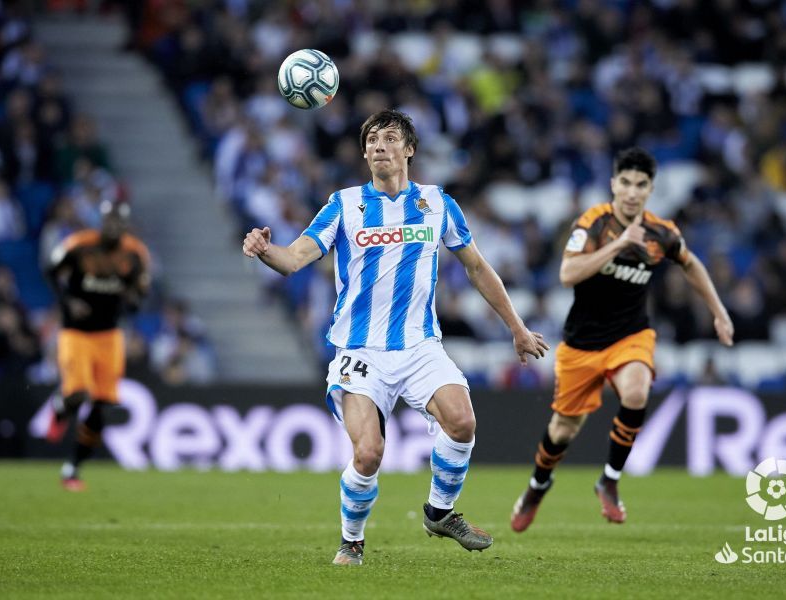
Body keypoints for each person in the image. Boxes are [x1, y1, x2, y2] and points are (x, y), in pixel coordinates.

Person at [242, 109, 549, 566]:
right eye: (370, 139)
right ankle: (352, 540)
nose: (378, 146)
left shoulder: (436, 202)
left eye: (388, 138)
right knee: (368, 453)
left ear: (409, 149)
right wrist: (267, 250)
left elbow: (477, 267)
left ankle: (439, 513)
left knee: (462, 422)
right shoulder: (344, 204)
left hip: (421, 346)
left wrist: (517, 328)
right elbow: (294, 260)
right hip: (360, 350)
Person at [510, 147, 734, 531]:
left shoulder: (661, 232)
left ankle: (609, 479)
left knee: (636, 392)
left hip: (631, 336)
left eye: (641, 185)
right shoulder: (594, 223)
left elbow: (691, 263)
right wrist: (619, 245)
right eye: (626, 183)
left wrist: (719, 310)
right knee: (564, 429)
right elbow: (568, 273)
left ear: (650, 189)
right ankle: (538, 484)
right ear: (614, 184)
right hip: (582, 343)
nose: (632, 191)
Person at [44, 201, 150, 491]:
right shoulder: (79, 245)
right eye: (109, 221)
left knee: (102, 404)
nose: (113, 228)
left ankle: (73, 468)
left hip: (108, 334)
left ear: (125, 226)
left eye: (119, 223)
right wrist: (67, 301)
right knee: (78, 394)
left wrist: (135, 296)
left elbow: (139, 293)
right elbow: (51, 270)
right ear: (100, 222)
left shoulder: (135, 253)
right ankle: (59, 407)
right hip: (76, 332)